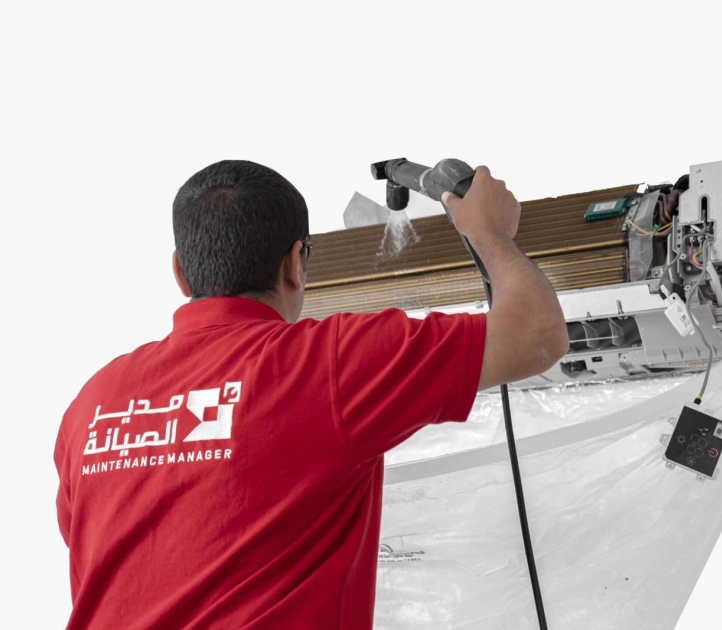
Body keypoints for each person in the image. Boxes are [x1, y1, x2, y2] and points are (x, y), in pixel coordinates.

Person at [54, 159, 569, 629]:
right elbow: (536, 333)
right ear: (295, 264)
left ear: (180, 272)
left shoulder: (91, 405)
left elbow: (100, 546)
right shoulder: (327, 364)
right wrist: (489, 232)